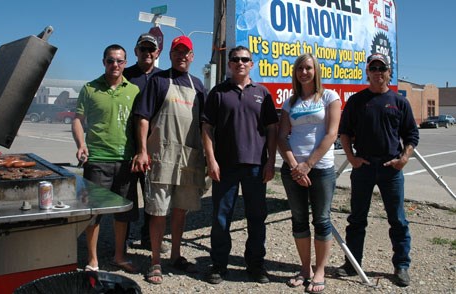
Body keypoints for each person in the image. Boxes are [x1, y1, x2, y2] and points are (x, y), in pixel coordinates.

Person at [336, 53, 419, 287]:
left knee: (398, 220)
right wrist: (352, 158)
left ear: (388, 72)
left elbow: (411, 134)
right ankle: (352, 264)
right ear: (367, 72)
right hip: (363, 168)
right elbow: (344, 132)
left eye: (382, 68)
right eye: (373, 67)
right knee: (356, 219)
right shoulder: (357, 101)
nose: (378, 72)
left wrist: (404, 158)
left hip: (390, 169)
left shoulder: (399, 102)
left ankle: (401, 265)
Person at [131, 35, 207, 284]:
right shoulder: (159, 81)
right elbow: (143, 117)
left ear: (192, 56)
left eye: (186, 52)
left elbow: (206, 126)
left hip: (189, 159)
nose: (182, 56)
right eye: (177, 52)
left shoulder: (199, 86)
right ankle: (155, 261)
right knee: (158, 211)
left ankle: (176, 254)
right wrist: (143, 151)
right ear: (171, 55)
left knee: (180, 210)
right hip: (161, 157)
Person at [201, 45, 279, 284]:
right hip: (225, 166)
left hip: (256, 166)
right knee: (221, 218)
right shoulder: (218, 93)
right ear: (229, 64)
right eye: (235, 59)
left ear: (252, 64)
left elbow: (272, 129)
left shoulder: (262, 93)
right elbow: (206, 128)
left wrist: (271, 161)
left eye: (245, 59)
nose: (240, 63)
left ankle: (255, 266)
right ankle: (219, 265)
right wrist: (211, 160)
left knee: (257, 217)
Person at [277, 53, 341, 293]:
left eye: (308, 68)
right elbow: (282, 137)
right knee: (299, 220)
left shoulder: (329, 97)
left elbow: (331, 134)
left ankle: (320, 270)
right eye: (300, 68)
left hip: (321, 169)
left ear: (316, 71)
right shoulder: (290, 102)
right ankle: (305, 269)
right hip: (293, 170)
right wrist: (295, 166)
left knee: (322, 220)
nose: (304, 72)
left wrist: (308, 165)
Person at [72, 44, 139, 274]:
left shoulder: (134, 90)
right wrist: (81, 144)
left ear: (126, 63)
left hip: (125, 160)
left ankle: (119, 256)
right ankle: (93, 260)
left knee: (123, 214)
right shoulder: (90, 89)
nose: (115, 65)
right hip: (97, 160)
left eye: (120, 61)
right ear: (104, 62)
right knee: (93, 214)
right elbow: (78, 119)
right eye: (111, 60)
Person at [123, 33, 169, 254]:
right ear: (136, 51)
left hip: (156, 149)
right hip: (127, 146)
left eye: (151, 49)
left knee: (152, 196)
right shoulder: (125, 75)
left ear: (157, 52)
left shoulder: (164, 78)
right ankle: (122, 237)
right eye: (143, 49)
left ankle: (148, 239)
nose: (147, 53)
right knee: (126, 195)